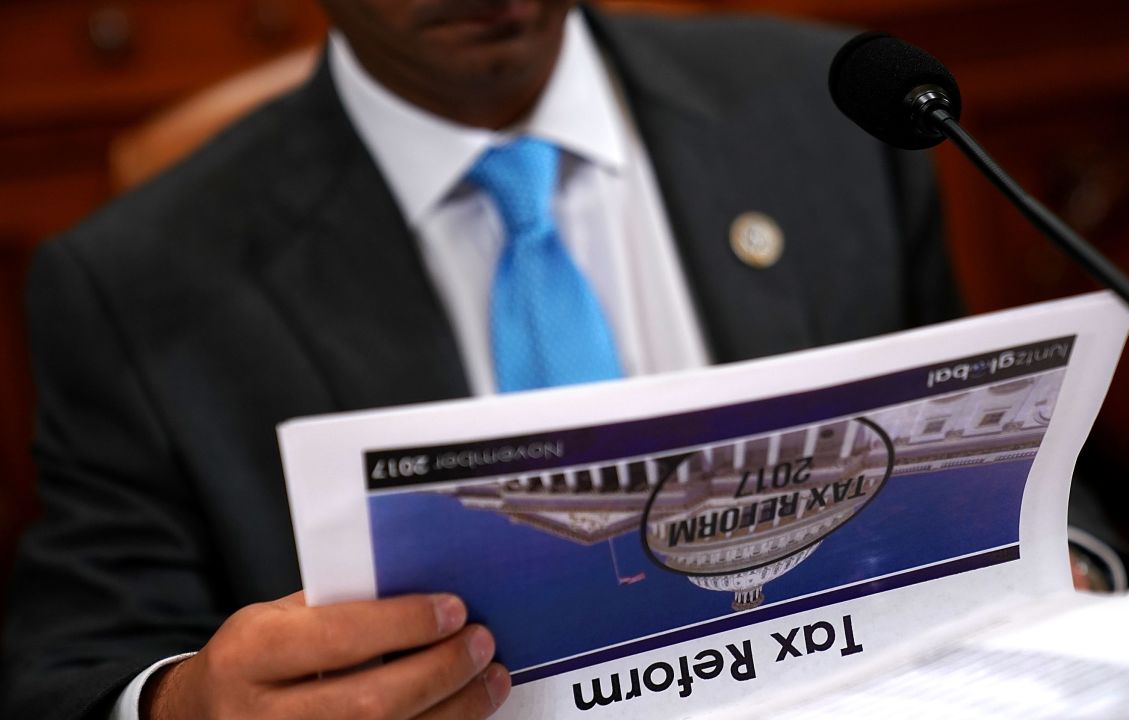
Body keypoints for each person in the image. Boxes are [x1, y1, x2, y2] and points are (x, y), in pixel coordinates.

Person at [0, 1, 963, 718]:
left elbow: (997, 459)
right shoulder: (134, 280)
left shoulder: (831, 111)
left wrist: (1061, 567)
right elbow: (70, 666)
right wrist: (189, 703)